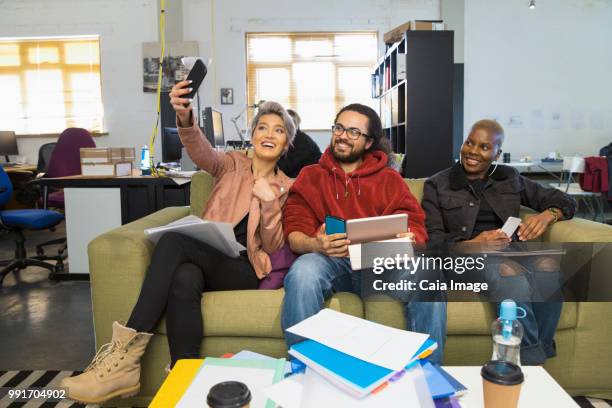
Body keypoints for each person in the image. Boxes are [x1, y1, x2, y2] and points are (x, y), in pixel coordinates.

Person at [59, 82, 296, 404]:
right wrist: (185, 117)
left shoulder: (287, 187)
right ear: (252, 136)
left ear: (286, 144)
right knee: (184, 276)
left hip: (244, 268)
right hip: (206, 256)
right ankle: (185, 378)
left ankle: (124, 360)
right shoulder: (229, 165)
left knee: (173, 241)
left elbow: (273, 245)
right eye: (263, 127)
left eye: (279, 130)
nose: (269, 134)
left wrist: (269, 202)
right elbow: (200, 150)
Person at [280, 103, 447, 364]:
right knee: (303, 271)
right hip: (331, 261)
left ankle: (429, 374)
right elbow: (293, 232)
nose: (343, 136)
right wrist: (316, 243)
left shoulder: (390, 180)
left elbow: (417, 231)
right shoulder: (310, 176)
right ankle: (303, 369)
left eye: (354, 132)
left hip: (381, 264)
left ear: (369, 142)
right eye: (339, 128)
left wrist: (406, 239)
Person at [421, 119, 576, 365]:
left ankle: (537, 355)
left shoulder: (510, 178)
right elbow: (434, 243)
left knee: (549, 266)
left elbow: (562, 199)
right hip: (463, 260)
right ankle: (528, 364)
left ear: (497, 153)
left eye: (484, 147)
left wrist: (548, 215)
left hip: (511, 251)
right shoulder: (438, 184)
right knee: (508, 272)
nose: (472, 151)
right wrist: (473, 244)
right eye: (469, 143)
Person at [277, 109, 322, 178]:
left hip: (313, 178)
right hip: (299, 174)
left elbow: (286, 167)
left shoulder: (302, 141)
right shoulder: (292, 137)